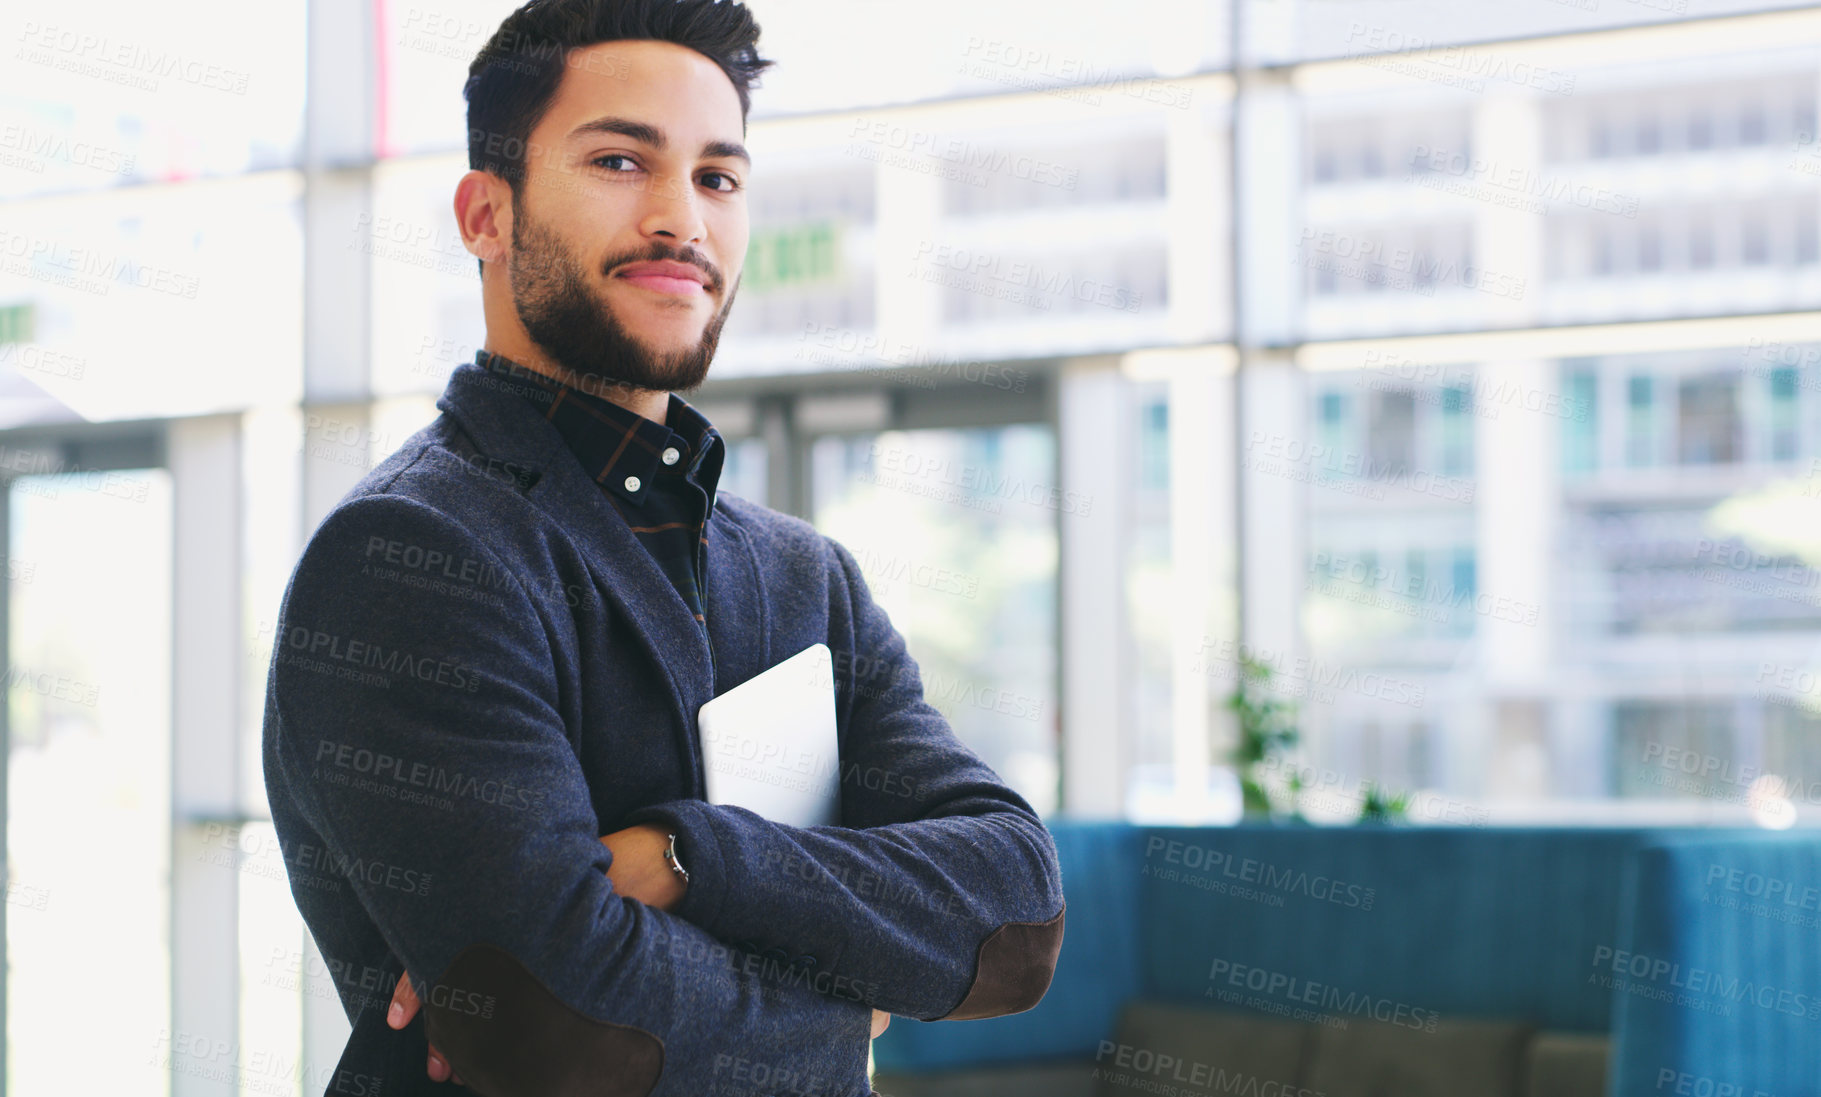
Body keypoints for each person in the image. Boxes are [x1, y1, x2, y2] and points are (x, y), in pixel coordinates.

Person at [259, 2, 1066, 1094]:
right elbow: (560, 1025)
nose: (680, 217)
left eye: (717, 178)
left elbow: (1014, 910)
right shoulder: (411, 554)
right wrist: (860, 1000)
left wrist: (688, 861)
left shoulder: (804, 579)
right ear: (484, 215)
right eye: (619, 159)